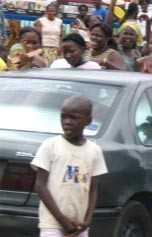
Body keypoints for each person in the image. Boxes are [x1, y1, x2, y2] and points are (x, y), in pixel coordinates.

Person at [31, 96, 108, 237]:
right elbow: (40, 186)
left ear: (88, 120)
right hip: (52, 223)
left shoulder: (94, 151)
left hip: (79, 225)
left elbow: (93, 188)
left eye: (74, 118)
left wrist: (87, 220)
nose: (67, 122)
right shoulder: (50, 145)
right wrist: (62, 220)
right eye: (63, 117)